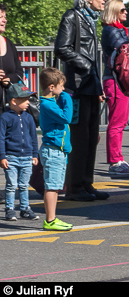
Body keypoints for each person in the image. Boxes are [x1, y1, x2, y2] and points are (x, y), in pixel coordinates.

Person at [53, 0, 107, 202]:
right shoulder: (72, 17)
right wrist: (85, 66)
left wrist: (96, 83)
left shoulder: (90, 19)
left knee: (91, 136)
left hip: (90, 84)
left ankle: (86, 183)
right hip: (77, 85)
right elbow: (61, 48)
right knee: (80, 137)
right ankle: (75, 186)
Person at [99, 0, 129, 179]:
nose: (126, 12)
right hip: (116, 80)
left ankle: (117, 160)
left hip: (119, 80)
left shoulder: (116, 30)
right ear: (114, 12)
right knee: (117, 122)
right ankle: (115, 161)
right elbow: (125, 50)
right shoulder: (112, 31)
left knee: (119, 122)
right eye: (122, 10)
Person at [37, 68, 73, 231]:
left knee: (56, 185)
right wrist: (67, 99)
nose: (63, 90)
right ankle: (50, 220)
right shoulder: (47, 104)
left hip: (57, 150)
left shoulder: (51, 102)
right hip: (53, 151)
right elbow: (66, 117)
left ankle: (52, 218)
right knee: (52, 186)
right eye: (61, 86)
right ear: (51, 87)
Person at [0, 85, 38, 221]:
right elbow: (1, 138)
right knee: (11, 185)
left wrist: (35, 154)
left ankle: (25, 208)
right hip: (11, 157)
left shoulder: (28, 118)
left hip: (27, 157)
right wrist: (2, 157)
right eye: (25, 99)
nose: (28, 102)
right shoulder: (5, 118)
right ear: (14, 101)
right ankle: (10, 209)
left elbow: (33, 137)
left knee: (23, 185)